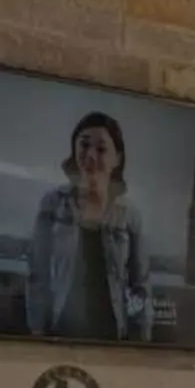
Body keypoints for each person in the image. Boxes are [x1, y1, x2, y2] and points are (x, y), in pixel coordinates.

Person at [26, 113, 151, 341]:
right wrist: (38, 332)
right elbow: (38, 275)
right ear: (74, 148)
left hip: (112, 338)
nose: (90, 155)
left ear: (117, 158)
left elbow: (139, 286)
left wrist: (141, 341)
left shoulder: (129, 215)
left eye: (101, 149)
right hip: (60, 333)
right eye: (84, 145)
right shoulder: (52, 204)